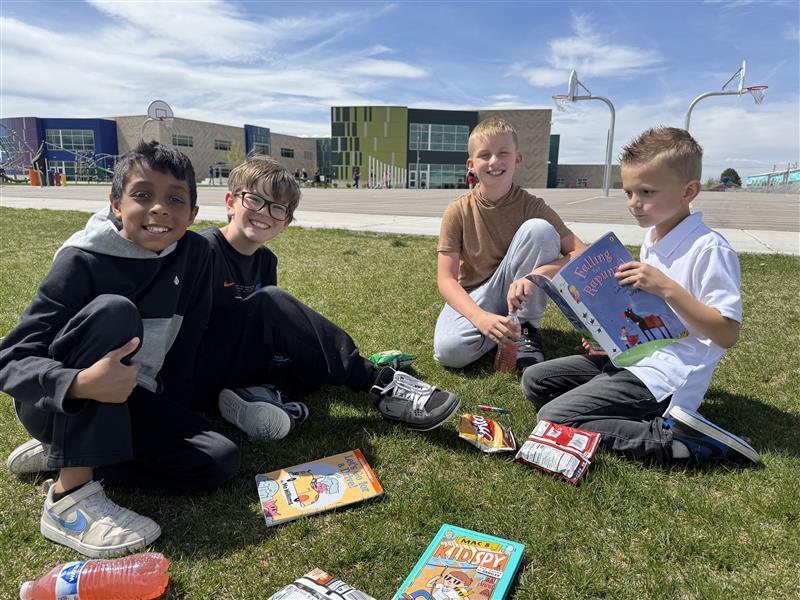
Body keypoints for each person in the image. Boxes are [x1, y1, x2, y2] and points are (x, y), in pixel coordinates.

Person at [1, 141, 240, 557]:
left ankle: (63, 449)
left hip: (131, 397)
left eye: (175, 199)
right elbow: (11, 358)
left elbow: (188, 340)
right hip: (62, 400)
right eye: (142, 195)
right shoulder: (82, 260)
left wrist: (177, 416)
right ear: (115, 203)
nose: (160, 209)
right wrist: (79, 383)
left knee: (218, 459)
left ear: (193, 214)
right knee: (116, 312)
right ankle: (68, 497)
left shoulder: (197, 253)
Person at [521, 127, 760, 465]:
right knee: (536, 380)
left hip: (668, 375)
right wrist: (609, 339)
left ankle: (676, 440)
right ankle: (623, 412)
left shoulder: (709, 249)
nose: (634, 203)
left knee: (553, 418)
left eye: (646, 192)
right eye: (628, 191)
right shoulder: (652, 237)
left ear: (688, 191)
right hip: (638, 358)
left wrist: (666, 287)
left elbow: (726, 333)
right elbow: (646, 314)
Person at [194, 156, 461, 440]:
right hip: (201, 368)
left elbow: (265, 336)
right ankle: (380, 383)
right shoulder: (204, 249)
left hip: (242, 368)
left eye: (277, 208)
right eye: (254, 199)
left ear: (285, 223)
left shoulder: (266, 261)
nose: (264, 212)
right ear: (230, 202)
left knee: (312, 359)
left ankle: (258, 396)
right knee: (270, 302)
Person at [434, 117, 586, 370]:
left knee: (539, 229)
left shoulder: (532, 205)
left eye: (503, 153)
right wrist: (480, 318)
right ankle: (503, 328)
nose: (494, 161)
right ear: (471, 165)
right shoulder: (457, 211)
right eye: (485, 155)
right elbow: (446, 279)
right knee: (449, 353)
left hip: (520, 290)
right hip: (477, 293)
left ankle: (524, 328)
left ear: (517, 159)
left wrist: (536, 275)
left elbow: (580, 252)